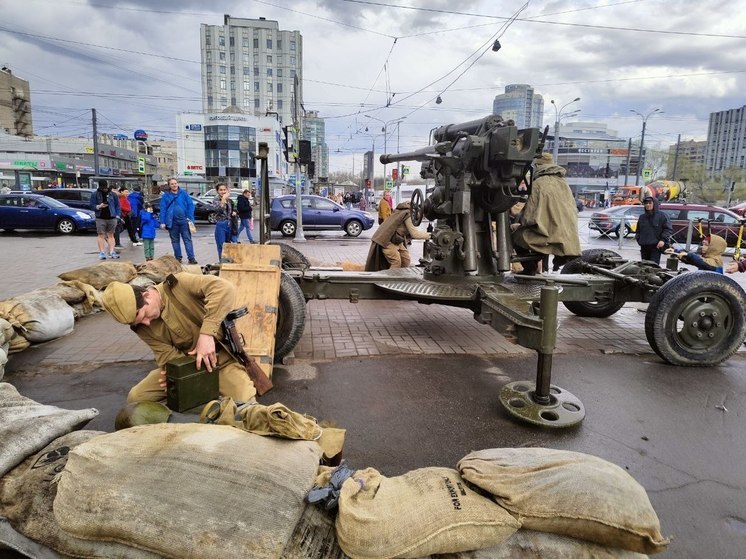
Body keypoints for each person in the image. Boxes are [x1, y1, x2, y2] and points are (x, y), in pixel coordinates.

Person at [100, 273, 256, 407]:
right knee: (137, 398)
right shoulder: (140, 326)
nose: (145, 324)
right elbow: (167, 356)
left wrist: (207, 334)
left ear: (146, 295)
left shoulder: (178, 285)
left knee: (245, 404)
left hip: (222, 362)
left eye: (144, 315)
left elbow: (224, 289)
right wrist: (178, 378)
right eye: (137, 323)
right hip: (188, 366)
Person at [510, 152, 581, 274]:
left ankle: (529, 268)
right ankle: (551, 262)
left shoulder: (538, 184)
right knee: (539, 231)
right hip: (568, 237)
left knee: (516, 234)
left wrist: (518, 222)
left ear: (537, 166)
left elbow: (528, 217)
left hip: (548, 237)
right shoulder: (563, 183)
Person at [365, 200, 430, 271]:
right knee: (396, 262)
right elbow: (415, 234)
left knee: (406, 260)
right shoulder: (408, 214)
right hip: (388, 241)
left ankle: (401, 276)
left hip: (397, 240)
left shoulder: (402, 211)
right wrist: (432, 235)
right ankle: (390, 280)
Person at [160, 177, 198, 264]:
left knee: (187, 240)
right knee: (175, 241)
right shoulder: (166, 196)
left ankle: (191, 258)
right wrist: (162, 222)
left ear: (178, 184)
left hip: (184, 221)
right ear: (169, 186)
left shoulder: (183, 194)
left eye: (175, 183)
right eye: (172, 184)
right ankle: (178, 258)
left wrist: (190, 217)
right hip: (172, 222)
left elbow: (190, 206)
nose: (174, 185)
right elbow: (163, 209)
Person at [635, 195, 672, 265]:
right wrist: (639, 239)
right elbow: (638, 230)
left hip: (656, 246)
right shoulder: (642, 217)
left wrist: (663, 240)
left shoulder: (662, 216)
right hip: (644, 246)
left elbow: (668, 229)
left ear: (654, 204)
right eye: (646, 203)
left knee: (653, 267)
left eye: (650, 203)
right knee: (643, 266)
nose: (648, 205)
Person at [89, 179, 121, 260]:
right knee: (101, 235)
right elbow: (91, 205)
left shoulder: (113, 194)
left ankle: (111, 251)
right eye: (102, 187)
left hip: (112, 217)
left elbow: (117, 205)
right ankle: (102, 252)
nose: (104, 189)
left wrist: (117, 215)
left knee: (111, 235)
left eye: (105, 187)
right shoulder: (95, 194)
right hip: (100, 217)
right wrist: (99, 206)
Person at [212, 182, 238, 261]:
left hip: (229, 223)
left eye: (224, 190)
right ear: (217, 191)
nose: (223, 191)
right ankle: (222, 262)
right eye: (221, 190)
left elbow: (232, 210)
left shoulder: (229, 200)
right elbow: (218, 210)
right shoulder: (216, 200)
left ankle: (228, 261)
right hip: (221, 223)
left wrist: (234, 213)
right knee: (221, 245)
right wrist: (223, 200)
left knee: (228, 244)